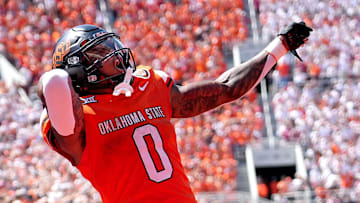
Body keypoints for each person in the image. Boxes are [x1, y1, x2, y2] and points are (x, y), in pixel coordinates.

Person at [37, 22, 312, 202]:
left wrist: (280, 46)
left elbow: (226, 87)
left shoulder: (148, 86)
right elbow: (52, 85)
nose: (115, 54)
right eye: (101, 53)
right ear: (80, 70)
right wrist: (58, 79)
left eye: (111, 47)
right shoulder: (77, 120)